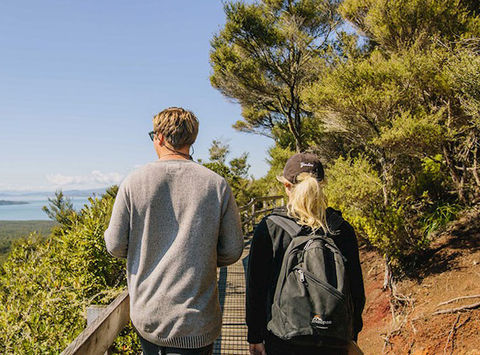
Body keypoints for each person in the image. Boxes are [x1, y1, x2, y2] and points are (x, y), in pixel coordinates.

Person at [104, 107, 244, 355]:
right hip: (197, 322)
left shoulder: (133, 182)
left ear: (159, 137)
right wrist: (202, 256)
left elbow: (115, 245)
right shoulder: (216, 184)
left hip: (149, 317)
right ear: (192, 139)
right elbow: (233, 250)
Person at [246, 152, 365, 355]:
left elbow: (256, 289)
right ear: (322, 184)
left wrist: (255, 337)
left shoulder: (271, 228)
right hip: (334, 339)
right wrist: (350, 335)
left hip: (282, 338)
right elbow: (356, 291)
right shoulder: (341, 229)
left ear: (286, 186)